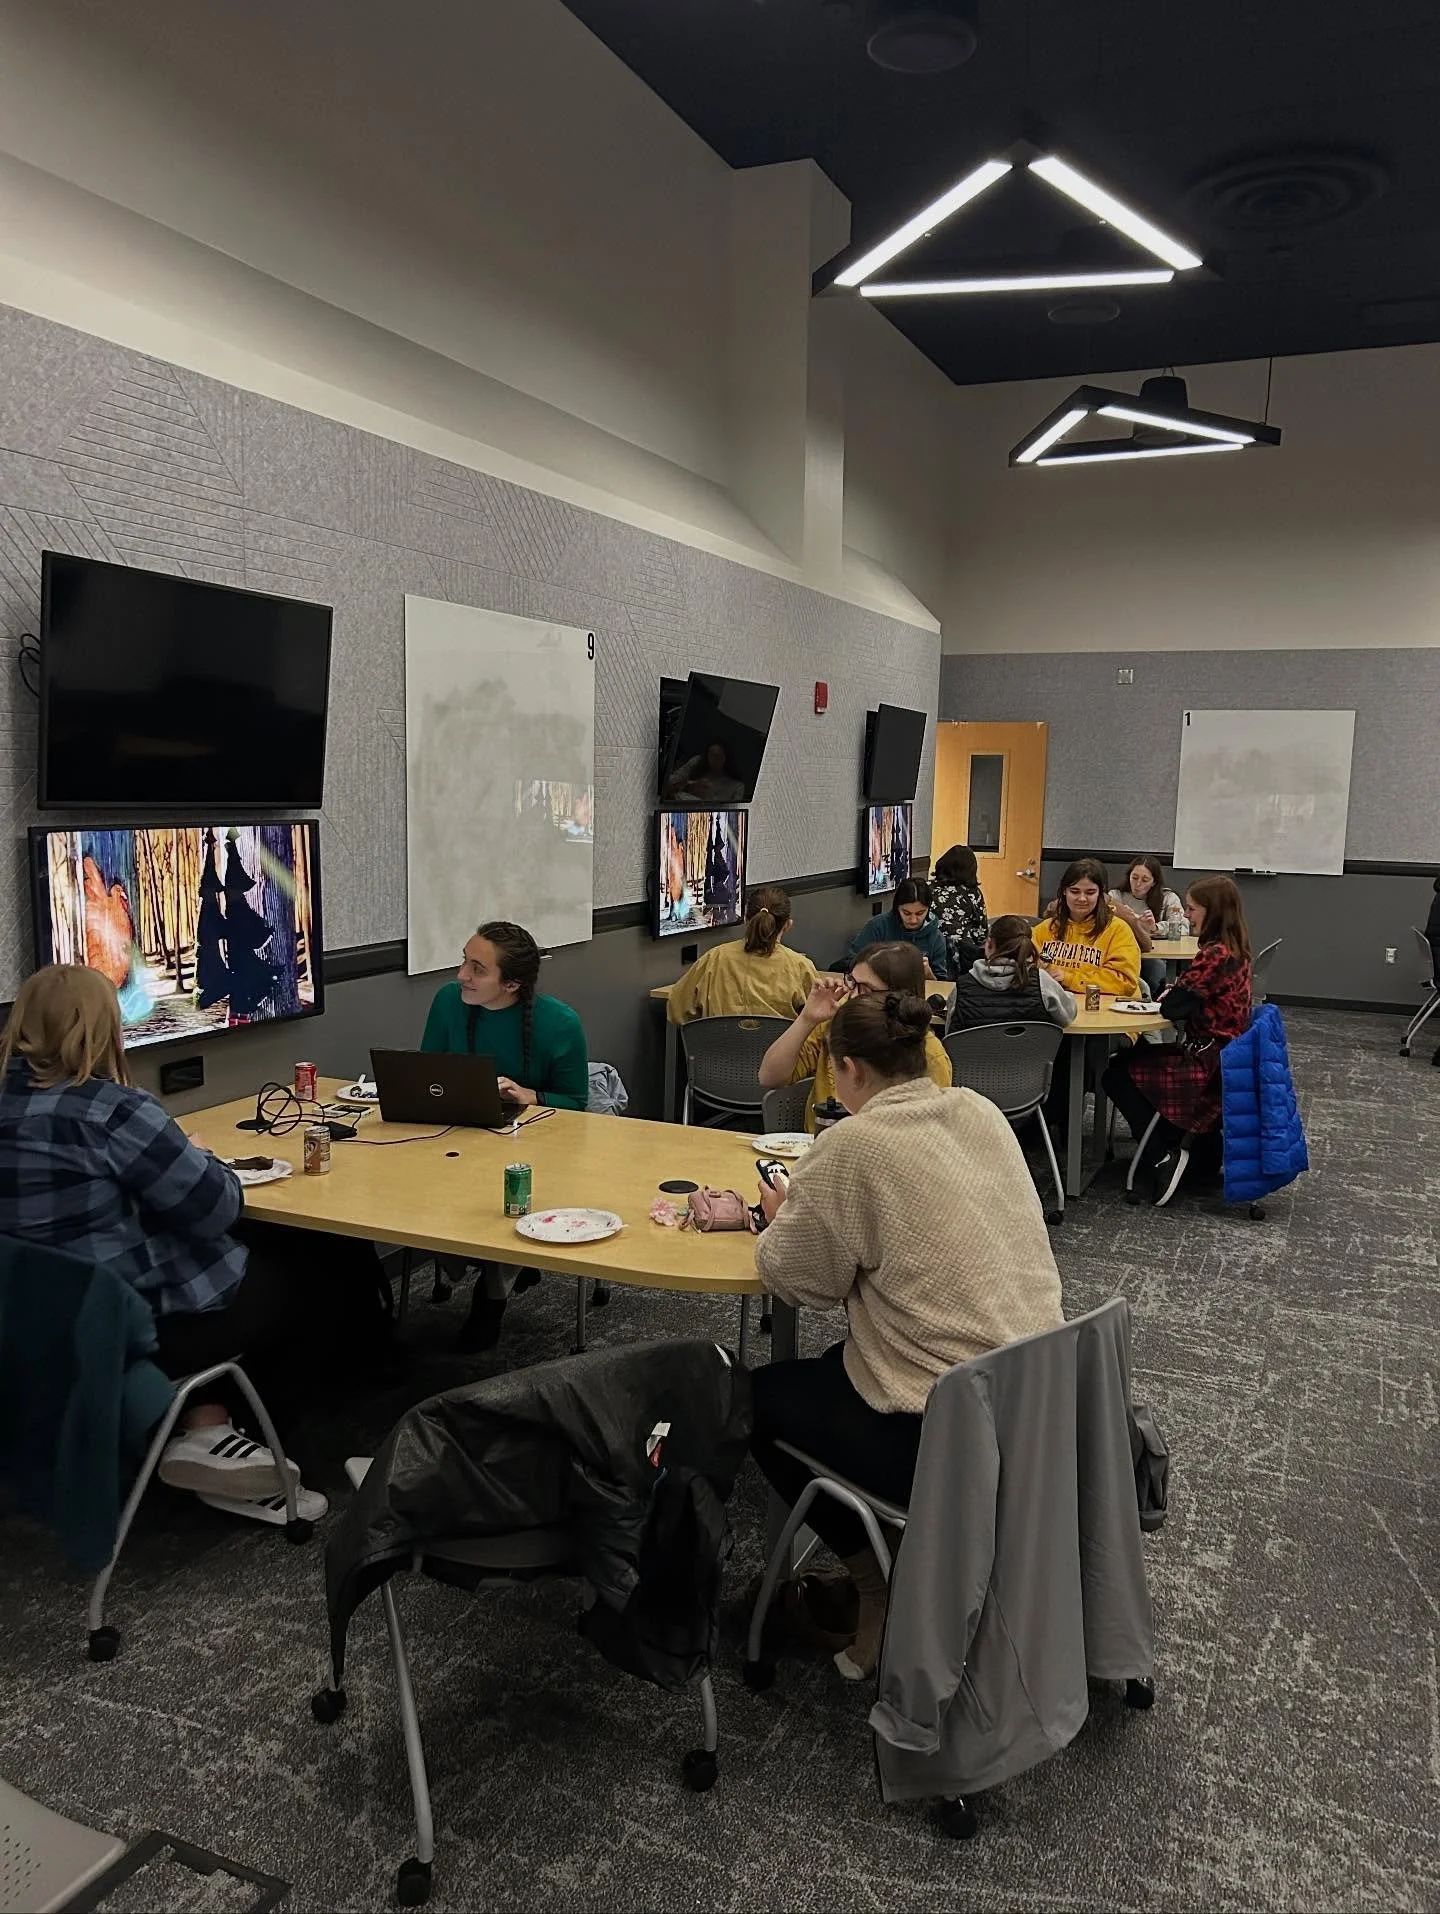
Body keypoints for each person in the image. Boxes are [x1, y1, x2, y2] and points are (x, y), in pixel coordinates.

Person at [750, 987, 1064, 1679]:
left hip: (944, 1426)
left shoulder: (853, 1144)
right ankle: (908, 1557)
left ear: (847, 1071)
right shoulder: (978, 1111)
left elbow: (800, 1280)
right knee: (842, 1362)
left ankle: (877, 1588)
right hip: (1038, 1396)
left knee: (758, 1400)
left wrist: (779, 1214)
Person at [0, 966, 382, 1524]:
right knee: (316, 1274)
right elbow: (216, 1208)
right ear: (104, 1028)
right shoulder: (112, 1110)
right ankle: (255, 1455)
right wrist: (194, 1152)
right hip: (132, 1329)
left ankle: (208, 1425)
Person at [422, 921, 589, 1351]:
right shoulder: (448, 1003)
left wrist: (532, 1096)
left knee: (506, 1196)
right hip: (458, 1139)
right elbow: (425, 1077)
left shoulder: (560, 1023)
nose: (462, 975)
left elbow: (577, 1103)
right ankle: (498, 1263)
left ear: (512, 984)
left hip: (535, 1150)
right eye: (464, 960)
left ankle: (493, 1292)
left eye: (477, 969)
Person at [1102, 875, 1254, 1205]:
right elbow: (1185, 999)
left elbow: (1173, 1006)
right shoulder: (1237, 950)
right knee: (1141, 1056)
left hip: (1205, 1062)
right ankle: (1183, 1147)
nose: (1186, 915)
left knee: (1116, 1072)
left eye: (1192, 908)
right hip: (1226, 1056)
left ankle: (1160, 1154)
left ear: (1213, 912)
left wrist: (1176, 992)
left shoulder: (1213, 955)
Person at [758, 942, 951, 1132]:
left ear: (899, 997)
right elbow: (770, 1077)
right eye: (852, 982)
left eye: (866, 989)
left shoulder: (927, 1052)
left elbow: (932, 1131)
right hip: (825, 1146)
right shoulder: (833, 1025)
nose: (851, 995)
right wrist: (807, 1019)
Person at [666, 885, 816, 1025]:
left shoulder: (715, 959)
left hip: (718, 1052)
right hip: (781, 1053)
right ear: (788, 925)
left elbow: (676, 1010)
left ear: (745, 919)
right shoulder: (799, 967)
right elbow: (819, 1026)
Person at [947, 914, 1078, 1034]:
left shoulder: (962, 987)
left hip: (971, 1059)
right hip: (1031, 1059)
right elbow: (1067, 1016)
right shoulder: (1042, 982)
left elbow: (951, 1034)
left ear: (988, 944)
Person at [1032, 859, 1141, 1000]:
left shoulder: (1118, 930)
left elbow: (1124, 982)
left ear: (1101, 894)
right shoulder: (1044, 929)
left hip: (1106, 1011)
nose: (1082, 898)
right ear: (1064, 892)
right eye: (1075, 891)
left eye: (1090, 892)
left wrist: (1068, 978)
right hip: (1057, 1007)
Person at [845, 877, 950, 980]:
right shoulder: (878, 926)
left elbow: (941, 983)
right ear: (897, 908)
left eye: (920, 913)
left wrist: (927, 974)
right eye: (906, 913)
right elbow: (852, 961)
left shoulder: (936, 937)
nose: (913, 920)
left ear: (928, 909)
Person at [1111, 856, 1186, 994]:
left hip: (1153, 955)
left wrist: (1156, 928)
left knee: (1155, 969)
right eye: (1134, 878)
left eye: (1145, 880)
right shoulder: (1116, 896)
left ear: (1154, 882)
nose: (1138, 884)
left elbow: (1184, 927)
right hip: (1122, 952)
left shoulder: (1168, 898)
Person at [929, 845, 989, 981]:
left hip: (931, 949)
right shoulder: (972, 893)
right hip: (962, 955)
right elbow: (981, 933)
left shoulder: (928, 889)